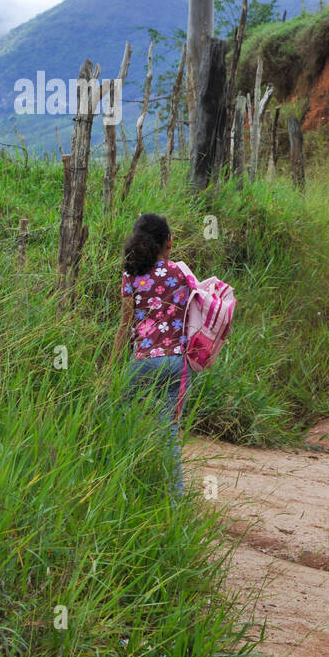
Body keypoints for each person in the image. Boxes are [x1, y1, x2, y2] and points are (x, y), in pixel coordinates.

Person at [111, 212, 195, 496]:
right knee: (168, 431)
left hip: (143, 362)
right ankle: (175, 500)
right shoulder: (182, 272)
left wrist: (112, 369)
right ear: (169, 242)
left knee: (116, 415)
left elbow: (125, 326)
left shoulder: (131, 276)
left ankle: (118, 484)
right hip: (178, 363)